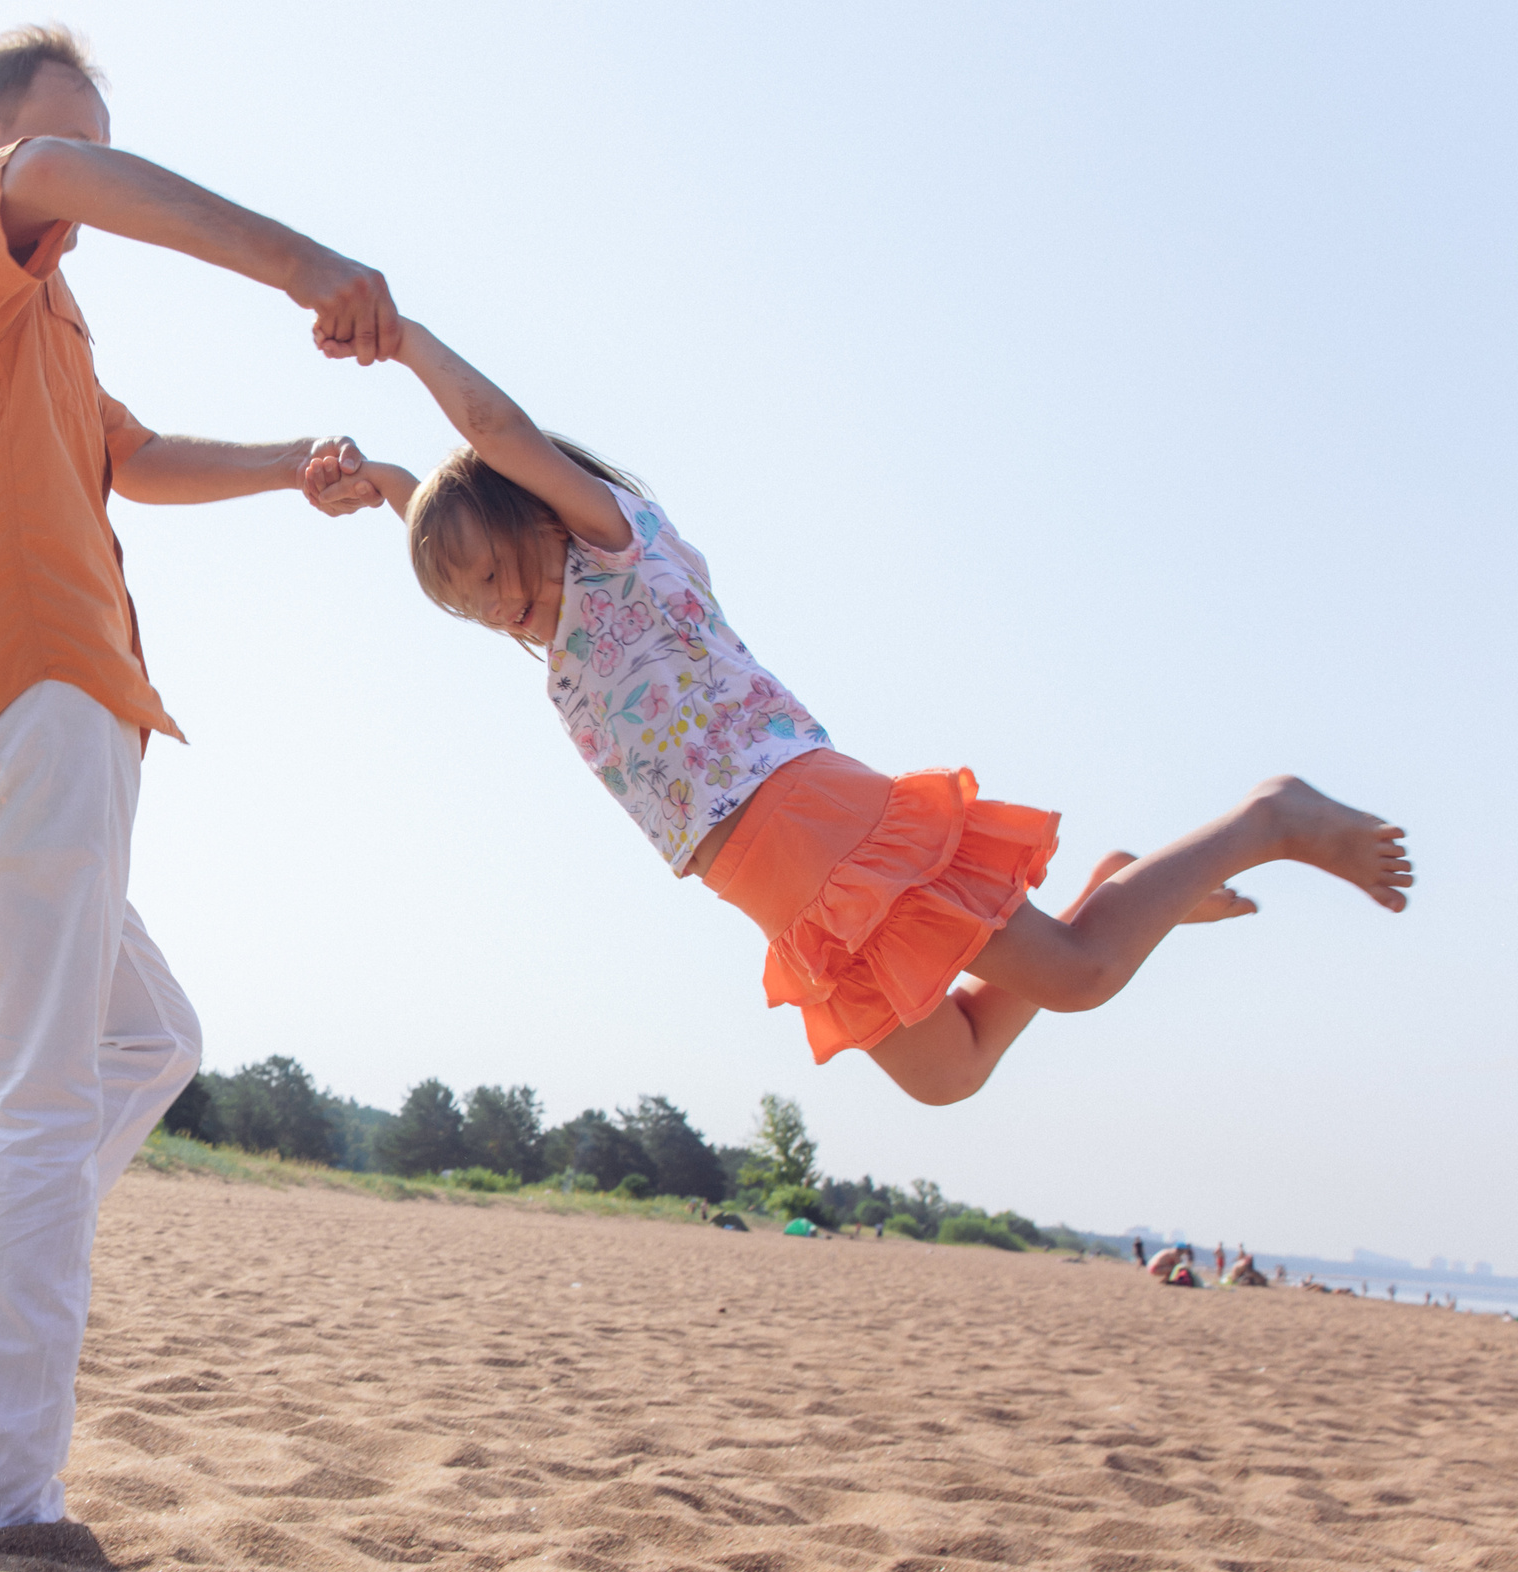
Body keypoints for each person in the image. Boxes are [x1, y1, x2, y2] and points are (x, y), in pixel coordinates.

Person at [320, 319, 1414, 1104]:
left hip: (809, 822)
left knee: (1077, 977)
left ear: (532, 505)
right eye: (461, 604)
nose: (488, 604)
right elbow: (456, 521)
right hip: (768, 882)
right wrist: (383, 486)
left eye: (485, 574)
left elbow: (493, 430)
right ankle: (1118, 893)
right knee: (951, 1073)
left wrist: (404, 341)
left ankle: (1269, 815)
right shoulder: (556, 638)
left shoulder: (613, 546)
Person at [0, 25, 397, 1537]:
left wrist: (299, 463)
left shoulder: (42, 324)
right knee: (39, 1105)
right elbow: (61, 181)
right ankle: (12, 1498)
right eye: (56, 148)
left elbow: (133, 456)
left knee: (149, 1034)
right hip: (26, 694)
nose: (76, 190)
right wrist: (308, 268)